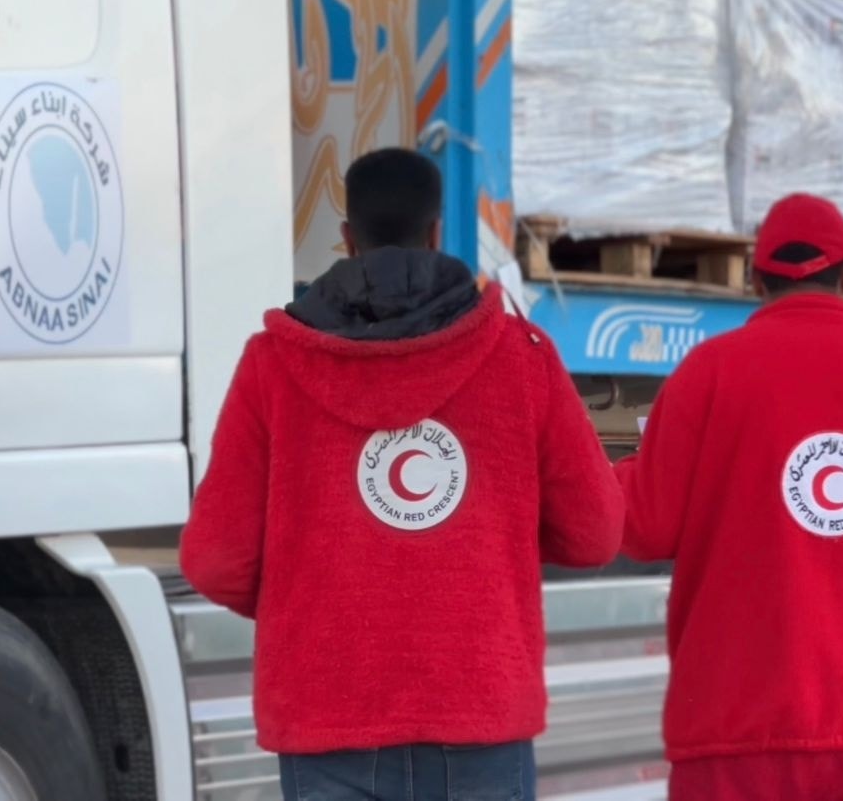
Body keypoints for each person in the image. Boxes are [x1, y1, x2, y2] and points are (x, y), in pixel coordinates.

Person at [180, 148, 625, 800]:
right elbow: (595, 532)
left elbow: (216, 559)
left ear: (347, 238)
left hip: (327, 720)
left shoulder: (272, 366)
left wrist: (307, 596)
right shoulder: (520, 359)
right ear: (437, 233)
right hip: (479, 712)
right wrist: (492, 550)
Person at [617, 193, 843, 800]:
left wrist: (612, 470)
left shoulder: (706, 373)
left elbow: (645, 525)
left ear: (756, 282)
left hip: (731, 737)